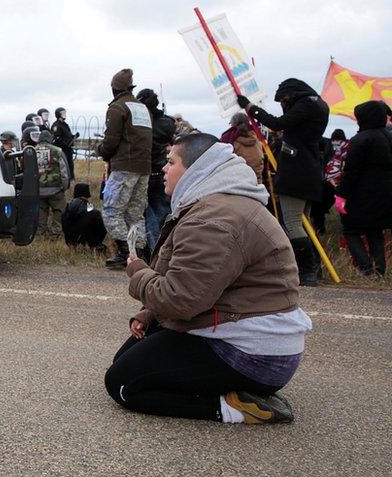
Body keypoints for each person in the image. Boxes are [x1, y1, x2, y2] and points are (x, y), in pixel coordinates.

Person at [105, 133, 311, 424]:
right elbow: (200, 282)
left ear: (197, 169)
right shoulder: (219, 204)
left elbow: (180, 299)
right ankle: (242, 389)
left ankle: (235, 407)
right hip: (246, 334)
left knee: (124, 384)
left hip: (253, 355)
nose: (164, 169)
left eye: (171, 162)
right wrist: (151, 312)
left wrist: (138, 272)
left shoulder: (213, 219)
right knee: (128, 359)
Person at [238, 78, 330, 286]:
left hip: (296, 171)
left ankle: (306, 271)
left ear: (292, 94)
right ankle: (315, 268)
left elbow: (278, 123)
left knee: (292, 221)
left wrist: (251, 108)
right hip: (310, 169)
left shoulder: (306, 104)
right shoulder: (319, 104)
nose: (283, 104)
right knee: (303, 222)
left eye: (285, 100)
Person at [97, 68, 152, 269]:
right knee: (134, 213)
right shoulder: (141, 108)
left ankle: (124, 252)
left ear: (114, 88)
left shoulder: (117, 108)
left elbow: (111, 141)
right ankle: (141, 253)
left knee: (111, 210)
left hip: (124, 168)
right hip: (143, 167)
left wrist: (101, 151)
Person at [335, 101, 392, 276]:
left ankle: (366, 269)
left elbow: (351, 172)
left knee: (351, 230)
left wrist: (341, 194)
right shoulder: (389, 136)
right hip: (386, 195)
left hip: (362, 195)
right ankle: (379, 271)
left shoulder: (361, 140)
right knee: (375, 232)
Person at [137, 88, 175, 252]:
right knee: (164, 213)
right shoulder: (167, 122)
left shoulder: (140, 123)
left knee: (147, 214)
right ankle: (164, 249)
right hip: (162, 172)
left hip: (143, 172)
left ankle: (154, 252)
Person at [311, 129, 349, 233]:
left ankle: (320, 227)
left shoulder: (330, 145)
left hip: (332, 183)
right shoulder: (346, 147)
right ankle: (344, 228)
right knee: (338, 206)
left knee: (322, 205)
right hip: (333, 183)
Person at [35, 130, 69, 239]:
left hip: (38, 189)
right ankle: (55, 234)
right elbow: (64, 172)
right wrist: (64, 187)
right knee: (58, 211)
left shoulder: (32, 151)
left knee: (41, 212)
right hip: (55, 189)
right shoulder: (58, 151)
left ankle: (40, 233)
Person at [61, 183, 106, 249]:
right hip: (90, 244)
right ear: (87, 194)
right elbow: (102, 230)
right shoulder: (92, 211)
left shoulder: (66, 209)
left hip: (70, 242)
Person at [226, 112, 264, 184]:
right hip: (258, 185)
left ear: (233, 125)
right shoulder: (257, 140)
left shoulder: (230, 143)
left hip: (241, 185)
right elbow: (261, 161)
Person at [50, 107, 76, 179]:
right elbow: (56, 139)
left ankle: (71, 178)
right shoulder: (56, 125)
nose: (65, 114)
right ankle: (65, 178)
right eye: (63, 113)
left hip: (68, 148)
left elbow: (67, 135)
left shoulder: (65, 124)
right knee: (64, 165)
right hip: (62, 149)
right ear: (59, 114)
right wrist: (66, 144)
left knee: (70, 164)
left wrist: (73, 137)